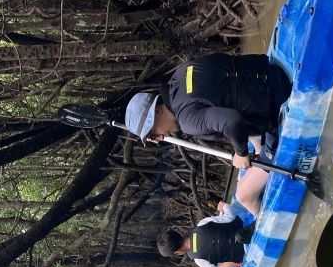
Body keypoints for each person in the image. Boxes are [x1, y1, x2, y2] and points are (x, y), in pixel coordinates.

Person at [125, 53, 293, 217]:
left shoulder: (187, 120)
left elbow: (232, 121)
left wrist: (241, 153)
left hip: (277, 102)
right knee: (254, 143)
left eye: (153, 133)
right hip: (272, 73)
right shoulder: (180, 74)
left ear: (157, 112)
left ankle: (268, 222)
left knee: (243, 195)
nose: (159, 139)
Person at [157, 201, 252, 267]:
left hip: (247, 252)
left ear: (176, 252)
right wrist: (224, 206)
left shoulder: (199, 259)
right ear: (177, 234)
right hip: (246, 229)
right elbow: (230, 216)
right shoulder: (202, 224)